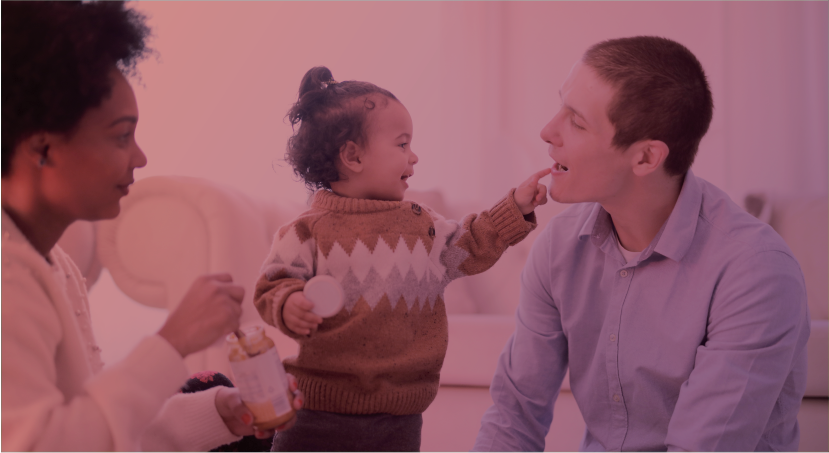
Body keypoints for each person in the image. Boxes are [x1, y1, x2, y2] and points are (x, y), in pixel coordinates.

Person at [473, 36, 811, 452]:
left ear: (646, 159)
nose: (547, 131)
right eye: (561, 106)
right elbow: (513, 420)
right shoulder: (558, 247)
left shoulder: (755, 271)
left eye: (577, 122)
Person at [1, 2, 302, 451]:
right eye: (121, 135)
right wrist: (171, 342)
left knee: (214, 391)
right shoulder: (8, 274)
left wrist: (222, 413)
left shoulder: (54, 263)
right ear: (43, 147)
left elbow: (95, 428)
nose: (140, 158)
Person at [253, 66, 550, 451]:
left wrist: (514, 207)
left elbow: (471, 242)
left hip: (401, 416)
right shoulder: (308, 231)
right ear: (352, 156)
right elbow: (273, 283)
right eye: (402, 145)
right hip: (319, 415)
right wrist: (289, 302)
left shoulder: (420, 225)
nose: (414, 157)